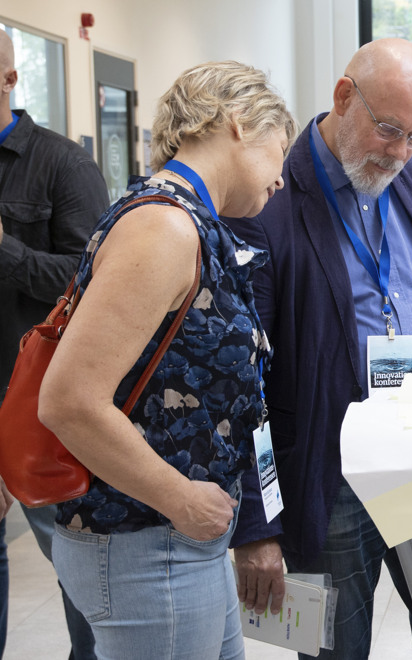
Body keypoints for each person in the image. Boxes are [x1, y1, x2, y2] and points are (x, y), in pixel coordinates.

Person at [228, 38, 412, 660]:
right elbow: (243, 383)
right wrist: (256, 528)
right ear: (344, 97)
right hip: (329, 471)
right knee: (331, 650)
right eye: (389, 130)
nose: (401, 152)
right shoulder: (269, 201)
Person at [37, 60, 295, 659]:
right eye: (279, 149)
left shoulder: (195, 223)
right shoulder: (164, 227)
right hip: (147, 542)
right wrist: (181, 497)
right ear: (237, 124)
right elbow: (69, 401)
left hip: (177, 539)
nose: (281, 178)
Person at [0, 30, 107, 660]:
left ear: (10, 80)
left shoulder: (64, 164)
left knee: (74, 555)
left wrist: (4, 251)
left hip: (36, 402)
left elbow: (88, 281)